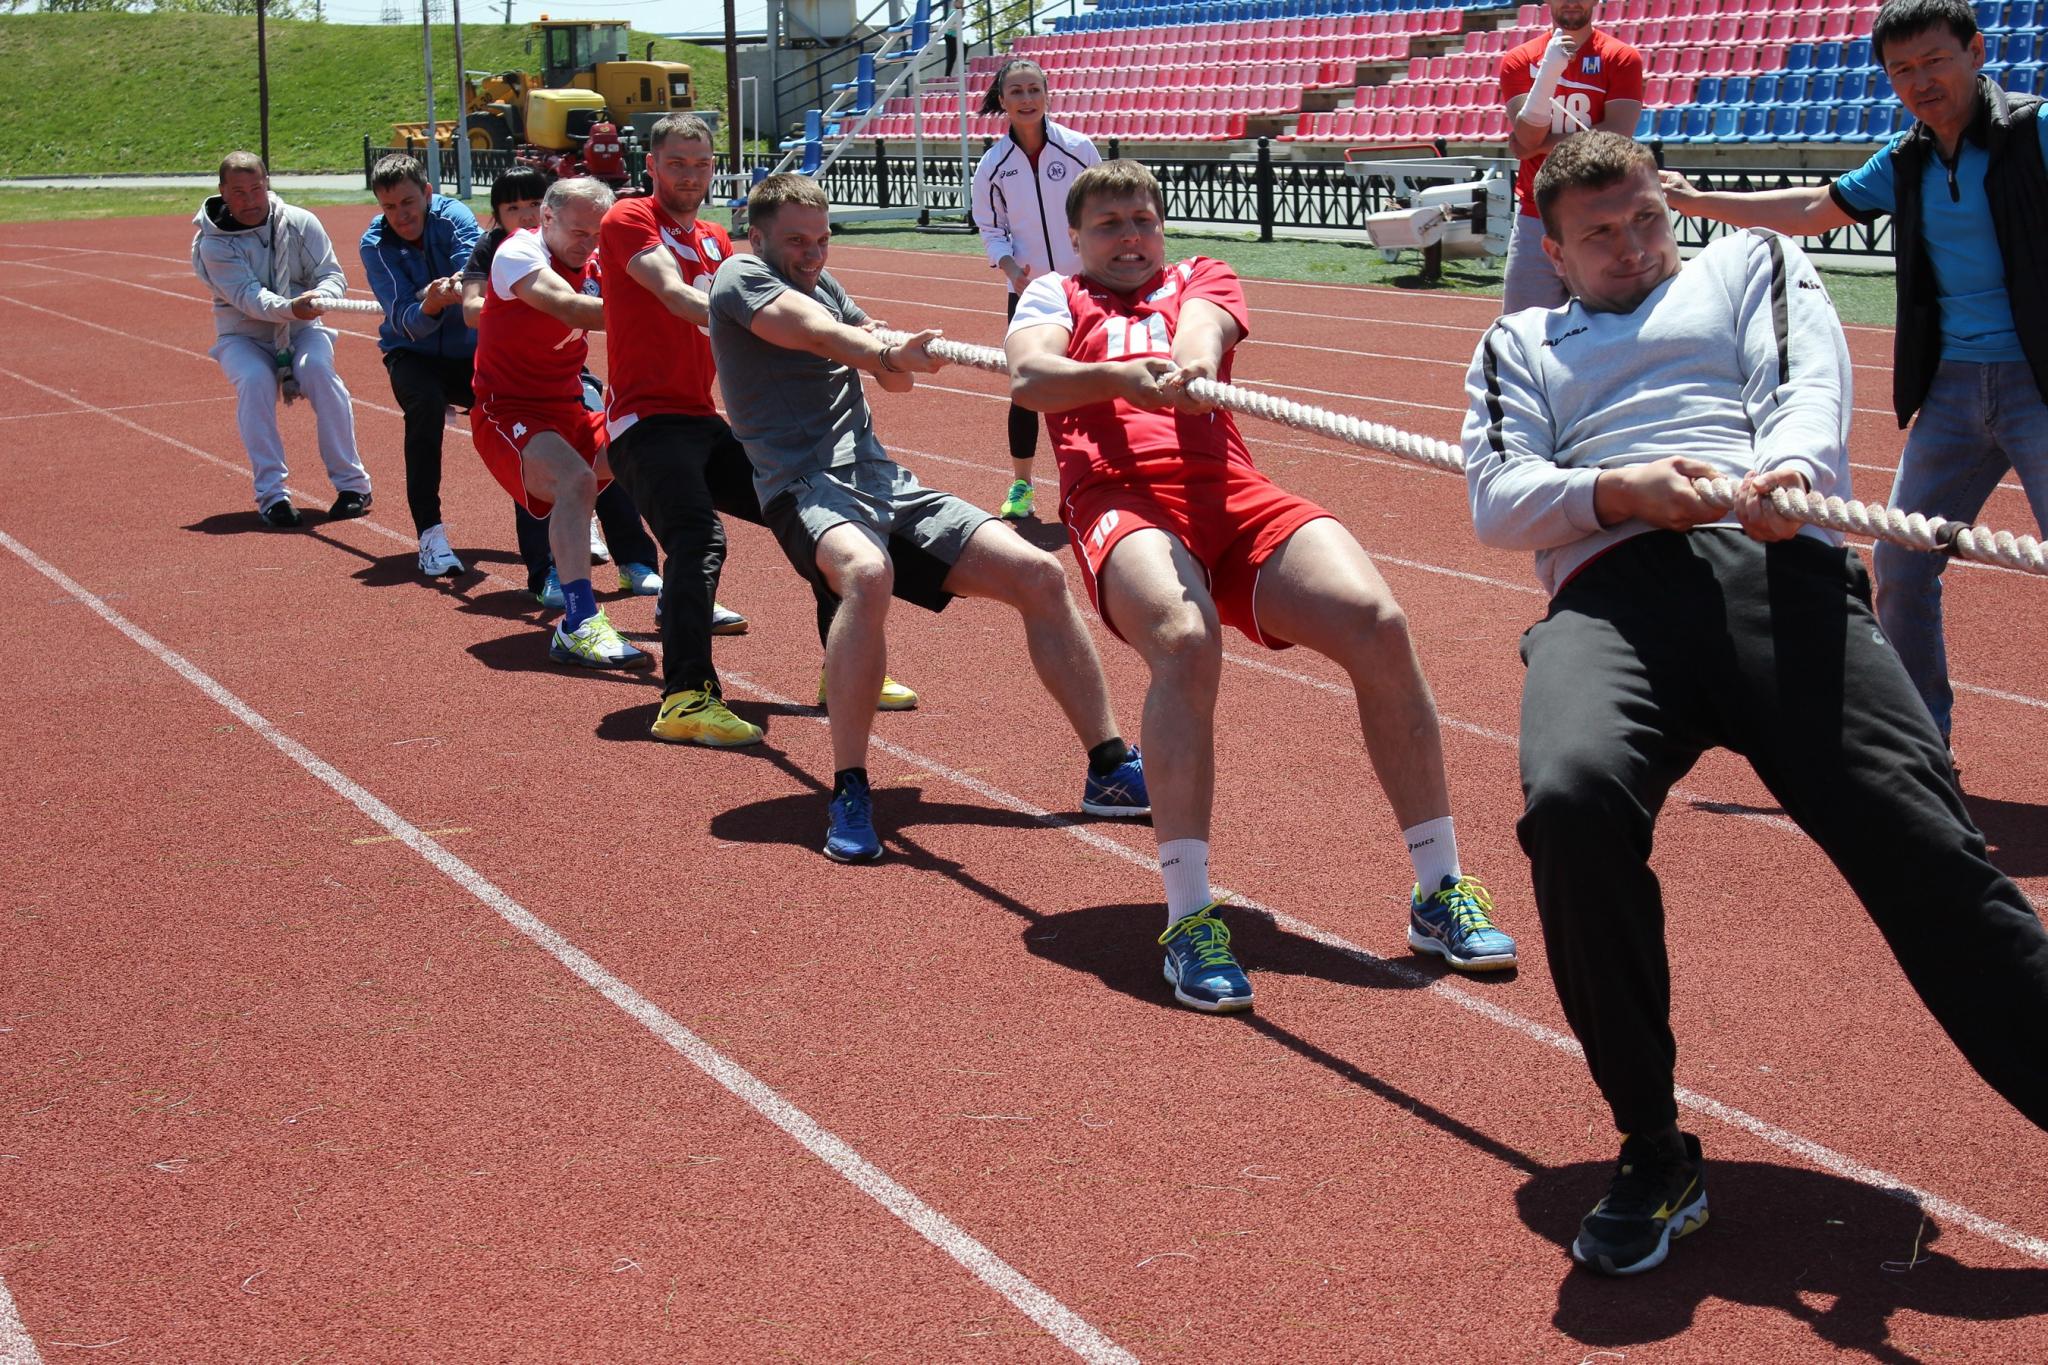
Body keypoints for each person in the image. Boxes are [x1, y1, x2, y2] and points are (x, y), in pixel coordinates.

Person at [1461, 131, 2048, 1277]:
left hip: (1770, 568)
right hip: (1609, 592)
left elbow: (1805, 386)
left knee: (1924, 843)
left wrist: (1785, 473)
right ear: (1553, 248)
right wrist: (1613, 490)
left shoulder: (1748, 267)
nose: (1633, 247)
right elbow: (1499, 497)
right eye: (1600, 235)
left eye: (1644, 220)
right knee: (1570, 801)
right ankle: (1652, 1148)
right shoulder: (1516, 343)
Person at [1006, 160, 1515, 1015]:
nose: (1129, 237)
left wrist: (1183, 366)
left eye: (1142, 220)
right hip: (1118, 497)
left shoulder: (1200, 276)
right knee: (1183, 638)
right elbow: (1031, 375)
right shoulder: (1054, 294)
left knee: (1377, 620)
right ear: (1078, 238)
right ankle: (1190, 916)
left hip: (1228, 490)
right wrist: (1121, 380)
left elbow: (1206, 335)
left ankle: (1439, 890)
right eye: (1108, 225)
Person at [707, 172, 1147, 859]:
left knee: (1038, 574)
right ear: (757, 236)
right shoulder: (739, 275)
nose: (813, 254)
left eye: (822, 240)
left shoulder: (824, 284)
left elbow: (891, 374)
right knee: (867, 573)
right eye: (796, 241)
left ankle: (1111, 766)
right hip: (803, 487)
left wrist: (894, 347)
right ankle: (850, 786)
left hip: (884, 482)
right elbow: (813, 333)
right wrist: (877, 347)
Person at [1659, 0, 2048, 753]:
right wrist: (1697, 200)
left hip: (2040, 385)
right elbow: (1812, 205)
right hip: (1952, 390)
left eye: (1935, 60)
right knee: (1899, 562)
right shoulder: (1904, 161)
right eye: (1901, 71)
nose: (1920, 82)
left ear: (1976, 51)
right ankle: (1922, 740)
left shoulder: (2034, 133)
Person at [600, 116, 911, 746]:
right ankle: (686, 695)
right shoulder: (630, 219)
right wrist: (753, 317)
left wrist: (863, 331)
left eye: (701, 163)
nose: (690, 175)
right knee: (698, 537)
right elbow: (675, 294)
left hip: (703, 420)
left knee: (815, 511)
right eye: (677, 163)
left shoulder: (718, 239)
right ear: (652, 166)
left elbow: (770, 302)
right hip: (644, 422)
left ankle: (844, 667)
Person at [458, 165, 666, 611]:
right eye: (579, 232)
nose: (589, 244)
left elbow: (656, 287)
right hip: (508, 410)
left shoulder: (597, 257)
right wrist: (668, 308)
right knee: (576, 481)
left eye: (598, 234)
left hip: (568, 406)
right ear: (546, 220)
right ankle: (579, 614)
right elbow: (569, 307)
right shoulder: (518, 251)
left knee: (658, 454)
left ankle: (685, 590)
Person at [191, 151, 373, 528]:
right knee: (255, 382)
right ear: (222, 192)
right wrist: (293, 306)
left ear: (268, 183)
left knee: (319, 371)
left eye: (256, 188)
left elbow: (331, 274)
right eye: (238, 192)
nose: (249, 200)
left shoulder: (300, 222)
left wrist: (320, 297)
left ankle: (353, 486)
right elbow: (249, 298)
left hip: (304, 329)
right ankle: (272, 495)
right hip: (243, 335)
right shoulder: (214, 244)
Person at [970, 56, 1100, 520]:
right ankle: (1022, 485)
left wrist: (1094, 264)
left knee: (1094, 384)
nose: (1026, 99)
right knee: (1025, 390)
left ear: (1047, 94)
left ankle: (1096, 479)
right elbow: (988, 227)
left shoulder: (1080, 149)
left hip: (1086, 288)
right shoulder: (992, 164)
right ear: (1002, 100)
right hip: (1027, 295)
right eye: (1017, 92)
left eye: (1033, 90)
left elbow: (1100, 209)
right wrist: (1009, 265)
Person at [360, 153, 481, 578]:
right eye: (389, 207)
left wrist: (457, 285)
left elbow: (475, 268)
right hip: (412, 354)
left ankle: (568, 520)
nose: (401, 215)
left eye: (408, 202)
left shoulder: (454, 217)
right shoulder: (375, 244)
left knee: (522, 409)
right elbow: (404, 322)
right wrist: (430, 305)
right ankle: (431, 535)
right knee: (425, 409)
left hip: (471, 351)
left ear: (428, 193)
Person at [1498, 0, 1643, 314]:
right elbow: (1527, 138)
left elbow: (1616, 135)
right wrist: (1550, 70)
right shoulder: (1519, 60)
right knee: (1523, 332)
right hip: (1537, 216)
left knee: (1610, 331)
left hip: (1601, 215)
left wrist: (1536, 144)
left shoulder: (1620, 57)